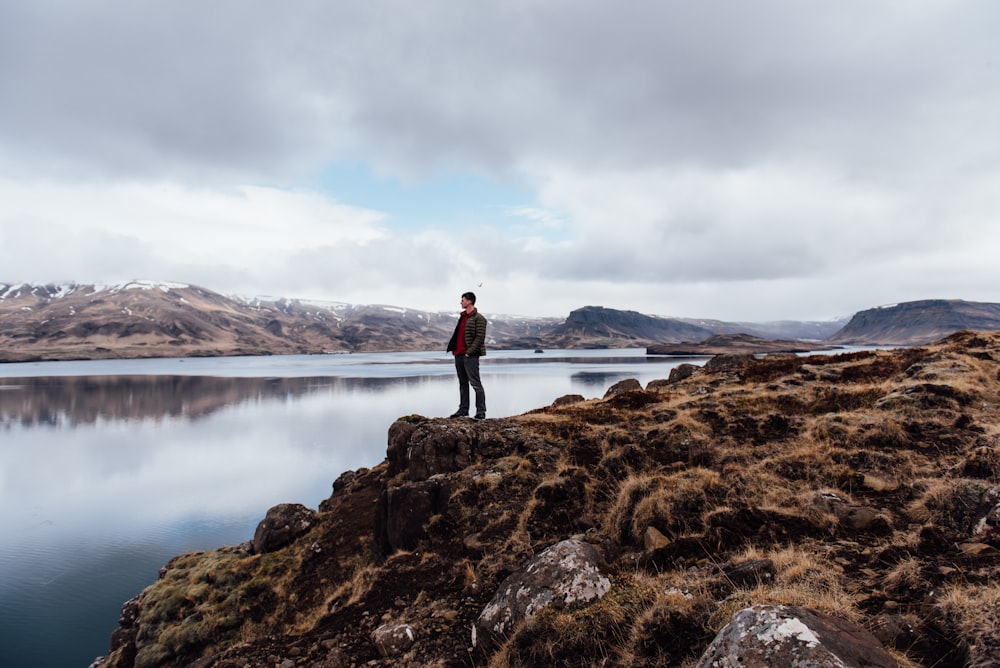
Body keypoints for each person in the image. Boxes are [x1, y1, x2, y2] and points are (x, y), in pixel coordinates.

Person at [446, 291, 488, 419]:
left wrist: (469, 353)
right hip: (458, 355)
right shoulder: (463, 317)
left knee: (475, 384)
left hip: (470, 356)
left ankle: (481, 411)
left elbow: (480, 338)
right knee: (463, 383)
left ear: (469, 301)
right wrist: (455, 350)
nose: (461, 302)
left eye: (463, 300)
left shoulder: (479, 318)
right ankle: (463, 410)